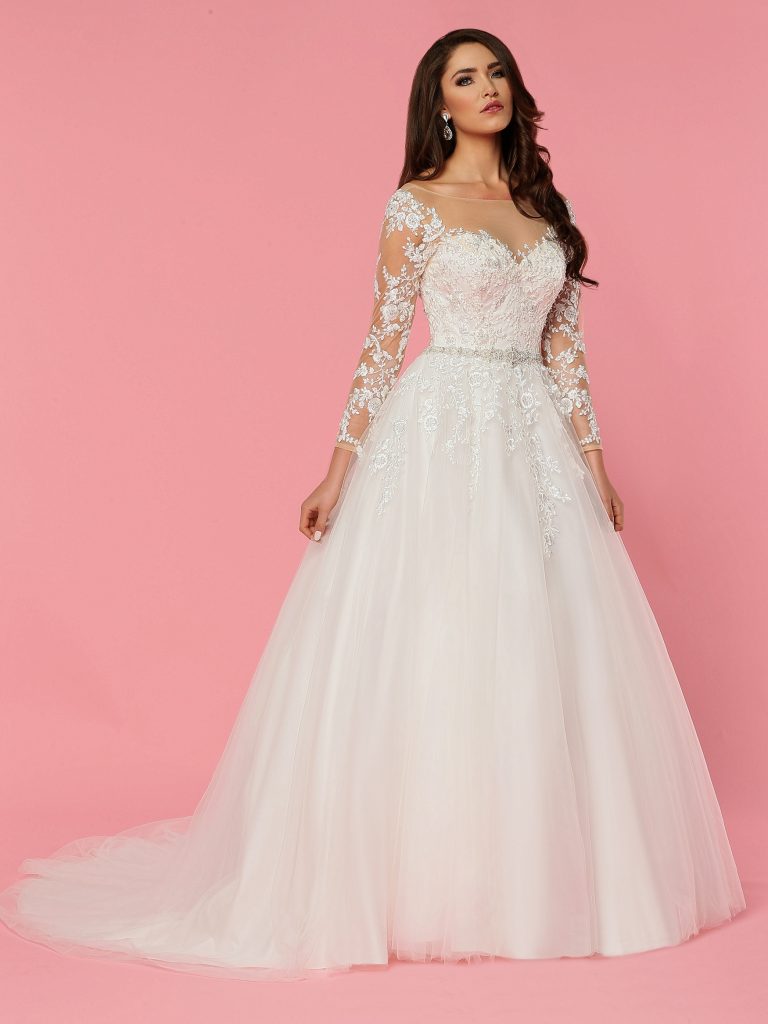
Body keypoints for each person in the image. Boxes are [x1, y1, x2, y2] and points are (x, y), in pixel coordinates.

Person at [0, 28, 746, 981]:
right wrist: (338, 471)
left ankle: (536, 881)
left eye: (497, 72)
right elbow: (382, 344)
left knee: (540, 639)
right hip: (438, 432)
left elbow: (567, 350)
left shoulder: (543, 207)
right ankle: (422, 882)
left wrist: (595, 463)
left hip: (535, 440)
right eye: (465, 78)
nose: (487, 87)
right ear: (440, 104)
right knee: (440, 634)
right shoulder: (416, 205)